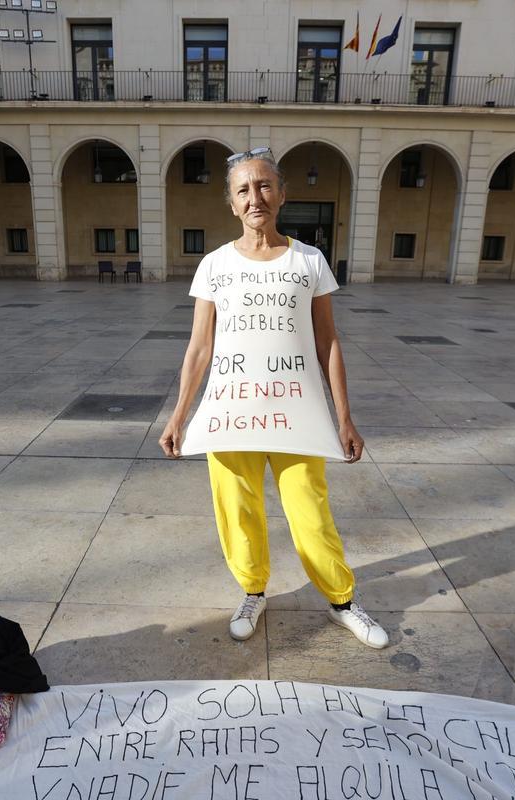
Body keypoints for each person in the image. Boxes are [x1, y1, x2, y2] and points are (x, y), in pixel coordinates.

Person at [159, 146, 387, 650]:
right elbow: (199, 348)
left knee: (310, 510)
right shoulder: (215, 265)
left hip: (295, 412)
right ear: (232, 204)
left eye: (264, 185)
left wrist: (344, 418)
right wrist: (179, 416)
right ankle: (252, 590)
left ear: (282, 194)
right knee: (236, 509)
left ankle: (342, 601)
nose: (254, 196)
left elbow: (328, 340)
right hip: (230, 411)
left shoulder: (309, 261)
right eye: (243, 189)